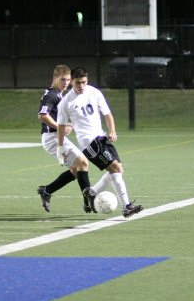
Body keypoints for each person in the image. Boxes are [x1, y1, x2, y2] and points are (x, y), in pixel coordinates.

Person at [57, 65, 143, 218]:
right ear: (72, 82)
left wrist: (112, 131)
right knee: (115, 168)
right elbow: (61, 126)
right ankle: (126, 207)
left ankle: (91, 193)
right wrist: (60, 147)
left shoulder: (94, 92)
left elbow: (107, 114)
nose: (81, 86)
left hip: (102, 138)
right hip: (89, 143)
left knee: (117, 171)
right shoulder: (66, 102)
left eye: (84, 82)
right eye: (78, 82)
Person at [37, 64, 95, 213]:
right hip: (52, 138)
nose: (66, 83)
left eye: (68, 80)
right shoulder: (52, 95)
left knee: (77, 169)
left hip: (55, 135)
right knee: (82, 163)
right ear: (55, 78)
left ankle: (47, 190)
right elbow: (42, 115)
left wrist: (66, 125)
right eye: (63, 79)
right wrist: (59, 126)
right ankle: (88, 201)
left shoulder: (59, 95)